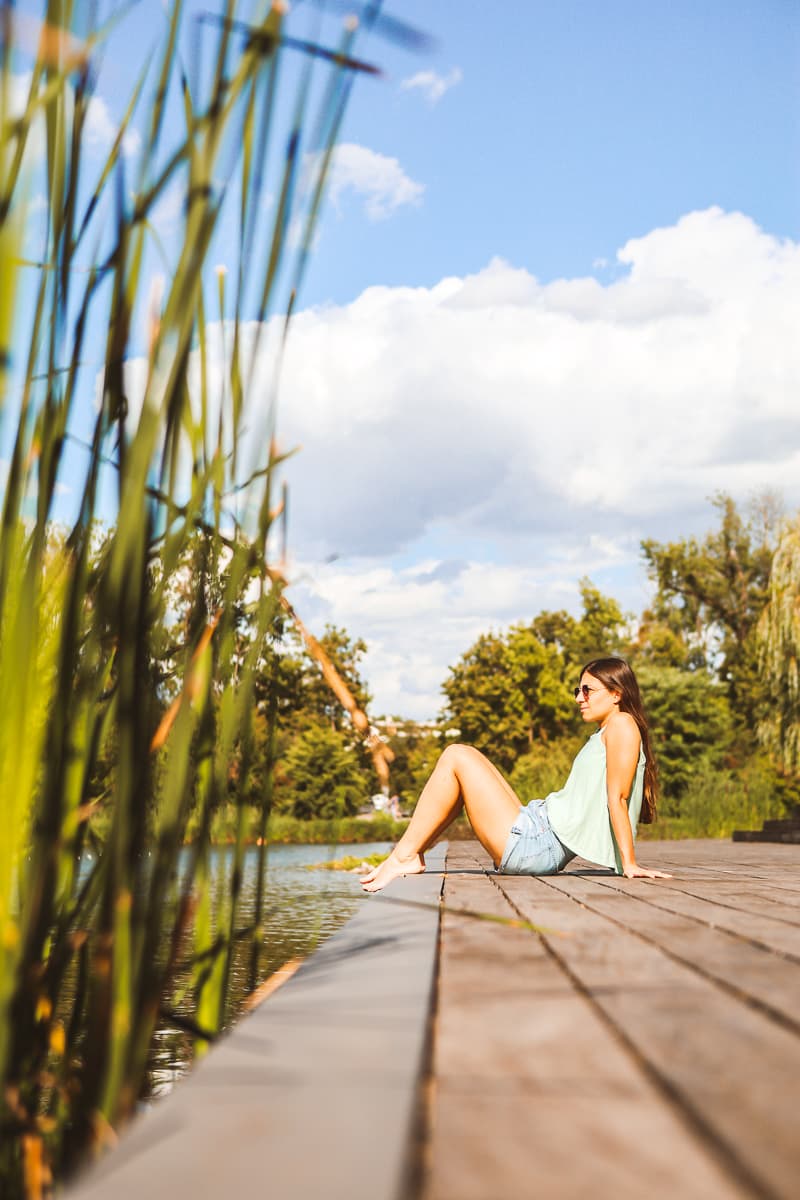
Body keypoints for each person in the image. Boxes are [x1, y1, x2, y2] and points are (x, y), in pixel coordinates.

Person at [360, 657, 672, 892]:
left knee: (457, 754)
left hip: (538, 844)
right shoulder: (612, 728)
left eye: (588, 691)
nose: (579, 698)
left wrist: (629, 865)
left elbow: (617, 796)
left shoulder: (621, 725)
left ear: (616, 694)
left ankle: (404, 856)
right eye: (578, 690)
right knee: (463, 763)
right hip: (537, 829)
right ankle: (411, 855)